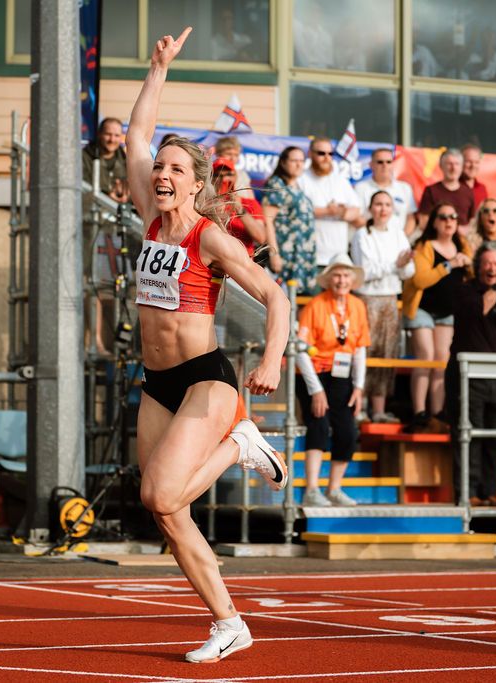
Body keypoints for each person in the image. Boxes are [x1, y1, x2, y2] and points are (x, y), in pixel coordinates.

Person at [125, 27, 290, 664]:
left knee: (162, 495)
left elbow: (276, 297)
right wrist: (158, 68)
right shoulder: (148, 216)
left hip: (205, 377)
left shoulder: (209, 239)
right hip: (157, 382)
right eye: (159, 168)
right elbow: (138, 136)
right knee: (167, 512)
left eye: (174, 169)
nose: (160, 173)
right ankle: (229, 622)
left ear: (195, 185)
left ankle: (236, 442)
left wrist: (272, 358)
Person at [446, 242, 496, 506]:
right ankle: (467, 492)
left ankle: (489, 491)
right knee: (468, 435)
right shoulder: (465, 290)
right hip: (467, 375)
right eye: (488, 263)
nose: (493, 269)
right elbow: (479, 310)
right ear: (479, 266)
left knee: (494, 436)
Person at [295, 254, 370, 506]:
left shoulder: (357, 306)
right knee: (318, 423)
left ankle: (334, 488)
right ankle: (312, 489)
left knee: (347, 431)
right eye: (337, 275)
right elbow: (301, 350)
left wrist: (359, 386)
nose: (341, 280)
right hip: (314, 373)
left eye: (346, 275)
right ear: (328, 279)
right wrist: (316, 389)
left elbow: (360, 348)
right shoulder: (315, 305)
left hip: (343, 374)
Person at [401, 203, 473, 431]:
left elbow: (471, 277)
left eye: (453, 216)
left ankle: (437, 413)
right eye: (443, 217)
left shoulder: (462, 245)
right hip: (422, 308)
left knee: (442, 361)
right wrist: (449, 265)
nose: (449, 221)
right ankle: (419, 411)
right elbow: (420, 280)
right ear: (434, 222)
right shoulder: (424, 246)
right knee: (426, 357)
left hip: (448, 311)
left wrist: (468, 264)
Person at [350, 191, 414, 424]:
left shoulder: (398, 234)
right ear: (371, 207)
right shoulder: (361, 235)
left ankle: (379, 409)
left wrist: (400, 265)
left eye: (388, 204)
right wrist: (395, 265)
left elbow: (409, 271)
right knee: (365, 351)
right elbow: (365, 272)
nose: (383, 209)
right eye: (378, 204)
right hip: (367, 298)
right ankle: (361, 406)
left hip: (390, 299)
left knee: (386, 352)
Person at [298, 137, 362, 268]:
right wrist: (328, 211)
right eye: (321, 153)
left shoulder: (340, 181)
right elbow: (297, 210)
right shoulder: (301, 179)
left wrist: (341, 213)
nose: (326, 157)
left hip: (338, 258)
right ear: (310, 154)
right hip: (308, 258)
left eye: (330, 154)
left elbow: (356, 210)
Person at [262, 146, 318, 294]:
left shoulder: (297, 185)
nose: (299, 164)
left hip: (302, 255)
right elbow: (268, 220)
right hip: (285, 256)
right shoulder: (276, 184)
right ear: (283, 163)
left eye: (302, 160)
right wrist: (274, 254)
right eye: (294, 160)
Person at [354, 148, 417, 239]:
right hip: (370, 241)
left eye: (388, 162)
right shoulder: (361, 188)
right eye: (380, 162)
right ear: (371, 165)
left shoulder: (405, 188)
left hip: (398, 244)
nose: (385, 165)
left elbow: (411, 218)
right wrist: (378, 235)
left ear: (393, 165)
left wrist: (401, 238)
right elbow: (356, 218)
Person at [212, 157, 264, 256]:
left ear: (235, 176)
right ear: (212, 178)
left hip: (242, 261)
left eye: (228, 174)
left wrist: (240, 209)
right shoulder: (203, 203)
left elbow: (261, 238)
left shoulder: (249, 203)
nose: (224, 179)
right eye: (218, 175)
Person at [418, 148, 476, 231]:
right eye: (449, 164)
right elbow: (423, 221)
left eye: (457, 164)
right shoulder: (431, 191)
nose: (453, 168)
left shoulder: (468, 192)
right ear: (441, 166)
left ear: (461, 167)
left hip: (463, 240)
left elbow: (473, 221)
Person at [82, 117, 130, 203]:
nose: (112, 140)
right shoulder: (83, 158)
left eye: (116, 135)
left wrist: (125, 196)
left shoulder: (127, 162)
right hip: (91, 213)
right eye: (108, 134)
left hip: (118, 213)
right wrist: (106, 198)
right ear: (99, 134)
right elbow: (81, 189)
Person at [461, 143, 488, 211]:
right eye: (468, 161)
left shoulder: (482, 189)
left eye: (476, 162)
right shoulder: (453, 188)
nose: (473, 166)